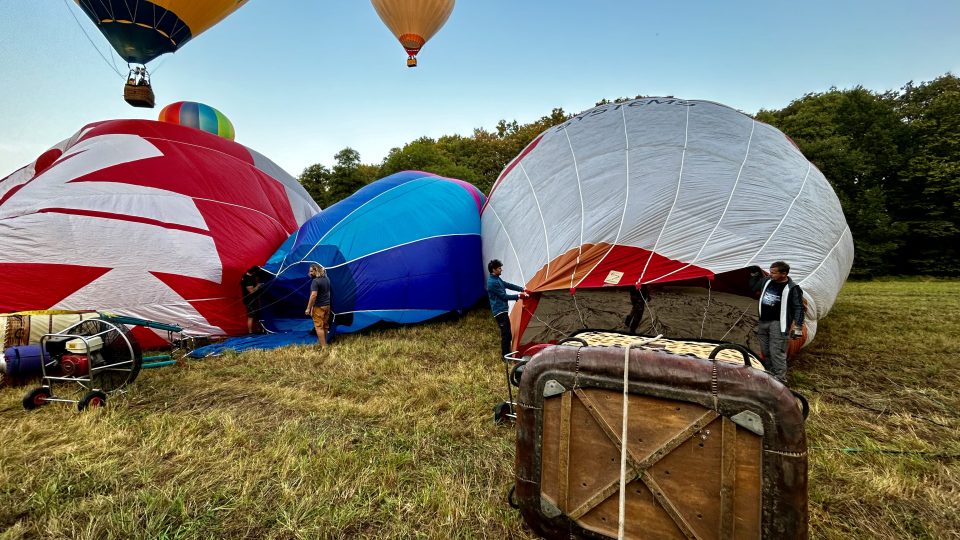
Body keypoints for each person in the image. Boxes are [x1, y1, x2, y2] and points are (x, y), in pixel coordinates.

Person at [749, 261, 804, 384]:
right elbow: (754, 287)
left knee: (777, 352)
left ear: (784, 274)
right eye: (770, 271)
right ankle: (769, 375)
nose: (770, 274)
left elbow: (799, 307)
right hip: (763, 321)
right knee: (765, 351)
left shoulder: (792, 288)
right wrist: (754, 274)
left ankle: (780, 380)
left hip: (778, 324)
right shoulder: (767, 281)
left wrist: (798, 326)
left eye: (774, 272)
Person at [487, 259, 528, 360]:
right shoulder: (492, 283)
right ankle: (504, 357)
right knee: (506, 334)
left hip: (503, 310)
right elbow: (504, 296)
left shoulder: (497, 279)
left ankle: (507, 354)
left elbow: (507, 285)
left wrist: (522, 289)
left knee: (508, 333)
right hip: (499, 311)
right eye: (499, 268)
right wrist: (519, 296)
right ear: (494, 269)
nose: (502, 270)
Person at [305, 263, 332, 349]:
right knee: (325, 325)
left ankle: (324, 347)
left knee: (318, 327)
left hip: (319, 307)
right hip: (327, 306)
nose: (310, 273)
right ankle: (325, 343)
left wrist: (308, 308)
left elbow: (313, 295)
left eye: (311, 271)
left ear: (316, 270)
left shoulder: (315, 281)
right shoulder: (327, 279)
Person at [240, 266, 263, 334]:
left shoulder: (245, 275)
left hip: (252, 299)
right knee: (251, 316)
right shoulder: (248, 279)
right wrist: (258, 286)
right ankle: (250, 333)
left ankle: (258, 329)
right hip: (250, 300)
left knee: (256, 315)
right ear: (254, 272)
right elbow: (251, 291)